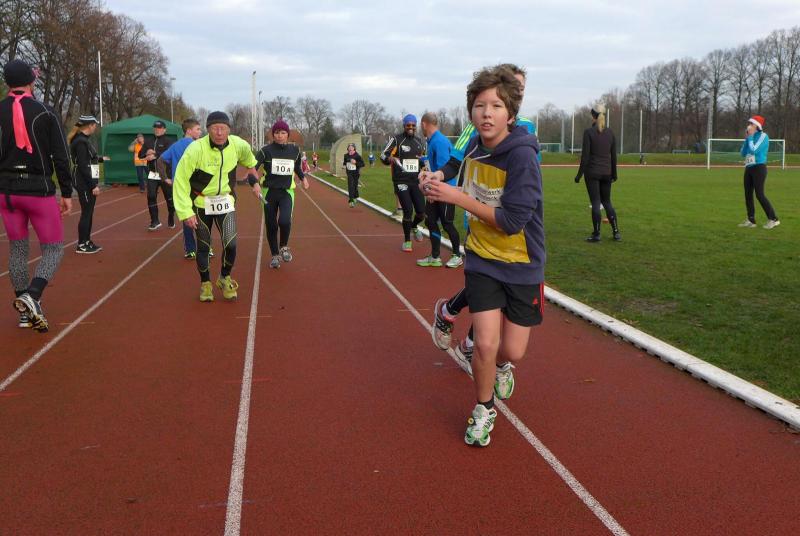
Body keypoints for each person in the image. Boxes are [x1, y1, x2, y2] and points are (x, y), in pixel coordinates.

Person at [421, 65, 544, 447]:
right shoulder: (473, 143)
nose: (487, 113)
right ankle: (484, 406)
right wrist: (438, 180)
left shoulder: (523, 154)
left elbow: (512, 221)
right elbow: (455, 165)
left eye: (496, 105)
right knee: (485, 344)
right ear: (471, 110)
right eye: (479, 105)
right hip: (482, 258)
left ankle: (504, 366)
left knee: (512, 350)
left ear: (512, 111)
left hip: (522, 262)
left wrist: (458, 197)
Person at [424, 64, 535, 364]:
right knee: (486, 283)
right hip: (480, 217)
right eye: (512, 85)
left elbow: (526, 172)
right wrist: (438, 176)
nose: (517, 91)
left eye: (520, 88)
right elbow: (455, 162)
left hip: (516, 224)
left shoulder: (528, 128)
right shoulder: (475, 129)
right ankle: (471, 338)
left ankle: (459, 322)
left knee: (500, 294)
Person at [0, 59, 73, 332]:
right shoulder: (45, 112)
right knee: (53, 248)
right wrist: (66, 191)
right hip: (38, 191)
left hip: (7, 192)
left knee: (18, 249)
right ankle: (32, 295)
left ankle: (24, 310)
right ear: (31, 81)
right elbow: (61, 156)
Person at [172, 111, 259, 302]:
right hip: (201, 203)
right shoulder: (196, 149)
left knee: (231, 244)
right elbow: (180, 180)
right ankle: (205, 283)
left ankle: (224, 277)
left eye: (223, 128)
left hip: (225, 202)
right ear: (208, 130)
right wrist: (186, 212)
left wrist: (255, 182)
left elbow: (251, 163)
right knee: (204, 246)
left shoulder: (238, 145)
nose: (219, 133)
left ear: (229, 130)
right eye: (214, 128)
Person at [251, 119, 310, 269]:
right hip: (268, 192)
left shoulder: (294, 150)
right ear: (273, 134)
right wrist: (255, 183)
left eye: (283, 132)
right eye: (276, 132)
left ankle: (283, 246)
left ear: (287, 135)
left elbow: (297, 167)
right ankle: (275, 255)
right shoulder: (265, 151)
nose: (279, 135)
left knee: (284, 221)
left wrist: (303, 178)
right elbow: (252, 169)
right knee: (271, 225)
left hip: (286, 192)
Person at [417, 111, 462, 268]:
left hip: (445, 191)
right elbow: (434, 166)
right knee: (430, 221)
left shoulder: (439, 142)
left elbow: (445, 170)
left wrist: (433, 190)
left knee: (447, 223)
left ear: (424, 124)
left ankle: (457, 255)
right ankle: (435, 256)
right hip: (435, 189)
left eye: (420, 125)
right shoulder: (432, 141)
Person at [157, 118, 203, 258]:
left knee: (187, 216)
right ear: (189, 131)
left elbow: (160, 161)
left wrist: (165, 178)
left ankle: (190, 249)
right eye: (197, 129)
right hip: (195, 185)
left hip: (179, 186)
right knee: (201, 214)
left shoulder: (175, 146)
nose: (200, 132)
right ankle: (206, 247)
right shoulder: (197, 145)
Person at [380, 114, 426, 251]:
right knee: (408, 211)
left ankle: (414, 226)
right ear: (404, 126)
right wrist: (390, 159)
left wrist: (424, 165)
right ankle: (407, 241)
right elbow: (383, 155)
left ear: (416, 126)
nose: (411, 127)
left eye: (413, 125)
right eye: (408, 125)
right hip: (401, 181)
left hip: (416, 181)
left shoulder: (419, 141)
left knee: (421, 213)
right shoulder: (396, 140)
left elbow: (422, 160)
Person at [574, 103, 620, 242]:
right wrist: (614, 174)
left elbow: (585, 157)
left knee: (595, 202)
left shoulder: (589, 132)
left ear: (593, 116)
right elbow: (613, 156)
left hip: (592, 172)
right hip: (607, 172)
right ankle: (616, 232)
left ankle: (597, 234)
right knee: (607, 202)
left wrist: (579, 175)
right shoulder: (610, 133)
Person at [69, 115, 108, 254]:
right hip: (84, 182)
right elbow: (83, 166)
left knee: (89, 212)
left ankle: (86, 241)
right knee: (86, 213)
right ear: (89, 125)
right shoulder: (80, 142)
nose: (95, 127)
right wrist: (93, 185)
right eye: (94, 125)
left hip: (88, 180)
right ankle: (81, 244)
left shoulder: (85, 140)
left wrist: (100, 159)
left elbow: (89, 158)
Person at [738, 115, 779, 229]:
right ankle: (751, 220)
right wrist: (747, 139)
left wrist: (750, 137)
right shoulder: (750, 137)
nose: (749, 126)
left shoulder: (763, 136)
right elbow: (743, 153)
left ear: (757, 125)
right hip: (749, 167)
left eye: (751, 124)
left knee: (759, 194)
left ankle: (773, 219)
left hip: (759, 168)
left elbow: (754, 150)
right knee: (748, 194)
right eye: (749, 124)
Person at [138, 120, 175, 231]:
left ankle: (171, 216)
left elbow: (170, 154)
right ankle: (155, 221)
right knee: (151, 196)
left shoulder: (169, 141)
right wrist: (146, 153)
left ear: (164, 129)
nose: (157, 130)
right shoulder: (148, 141)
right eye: (155, 128)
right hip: (152, 174)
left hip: (165, 174)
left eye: (159, 128)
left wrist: (154, 154)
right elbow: (140, 155)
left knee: (169, 199)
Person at [342, 143, 365, 207]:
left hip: (356, 173)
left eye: (351, 147)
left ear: (354, 148)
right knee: (350, 185)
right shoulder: (346, 155)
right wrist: (344, 166)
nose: (350, 148)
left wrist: (355, 162)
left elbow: (363, 164)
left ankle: (355, 197)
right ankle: (351, 200)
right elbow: (345, 162)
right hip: (349, 173)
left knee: (355, 186)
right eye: (349, 147)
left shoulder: (357, 156)